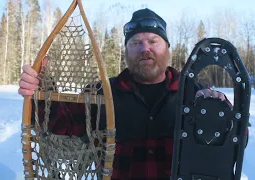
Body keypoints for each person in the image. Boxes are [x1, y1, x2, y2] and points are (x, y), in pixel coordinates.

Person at [19, 8, 230, 180]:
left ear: (167, 48)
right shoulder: (102, 94)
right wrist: (39, 90)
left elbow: (230, 144)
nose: (144, 49)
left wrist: (221, 115)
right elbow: (61, 124)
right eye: (135, 43)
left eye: (153, 41)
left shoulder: (195, 95)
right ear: (126, 52)